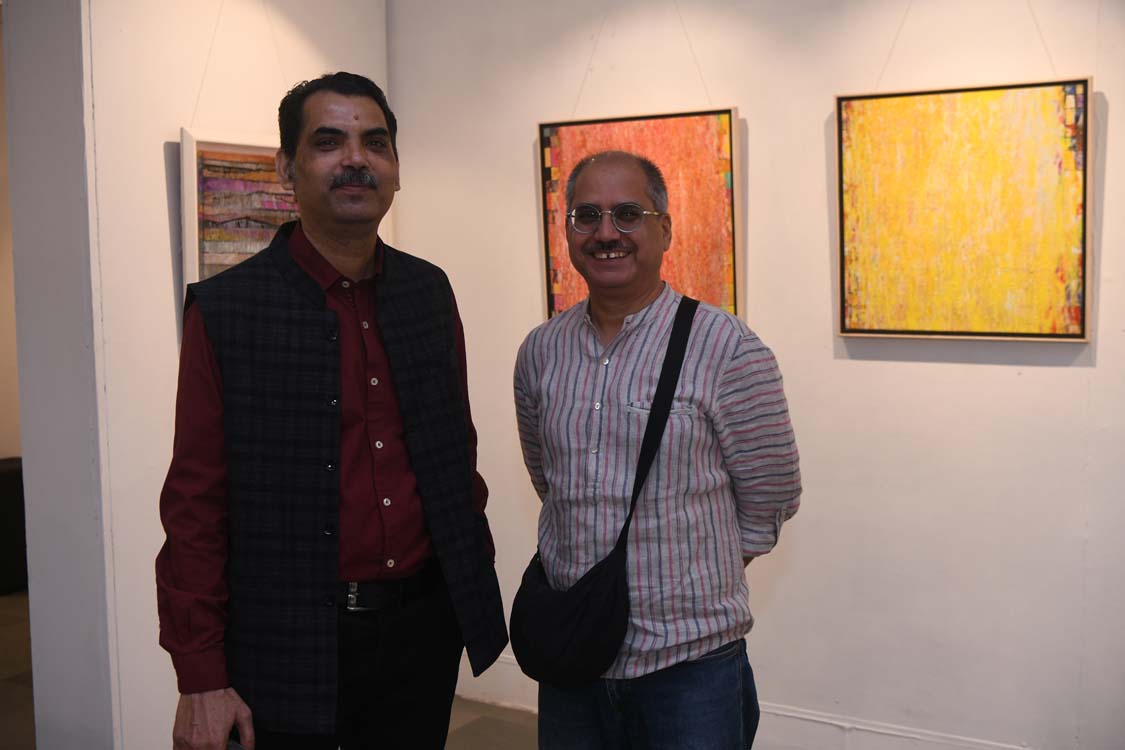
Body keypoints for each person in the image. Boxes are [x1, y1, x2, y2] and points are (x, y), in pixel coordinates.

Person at [156, 72, 507, 750]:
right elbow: (196, 502)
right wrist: (199, 674)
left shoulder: (428, 292)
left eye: (375, 143)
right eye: (327, 142)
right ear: (286, 167)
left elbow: (452, 456)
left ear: (396, 167)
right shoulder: (228, 311)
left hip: (420, 632)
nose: (355, 159)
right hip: (285, 642)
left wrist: (467, 586)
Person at [514, 150, 801, 749]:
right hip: (573, 653)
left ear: (664, 229)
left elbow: (772, 495)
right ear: (567, 230)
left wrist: (688, 575)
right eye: (587, 215)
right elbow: (551, 480)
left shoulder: (726, 347)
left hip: (688, 666)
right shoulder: (541, 351)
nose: (606, 233)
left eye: (628, 214)